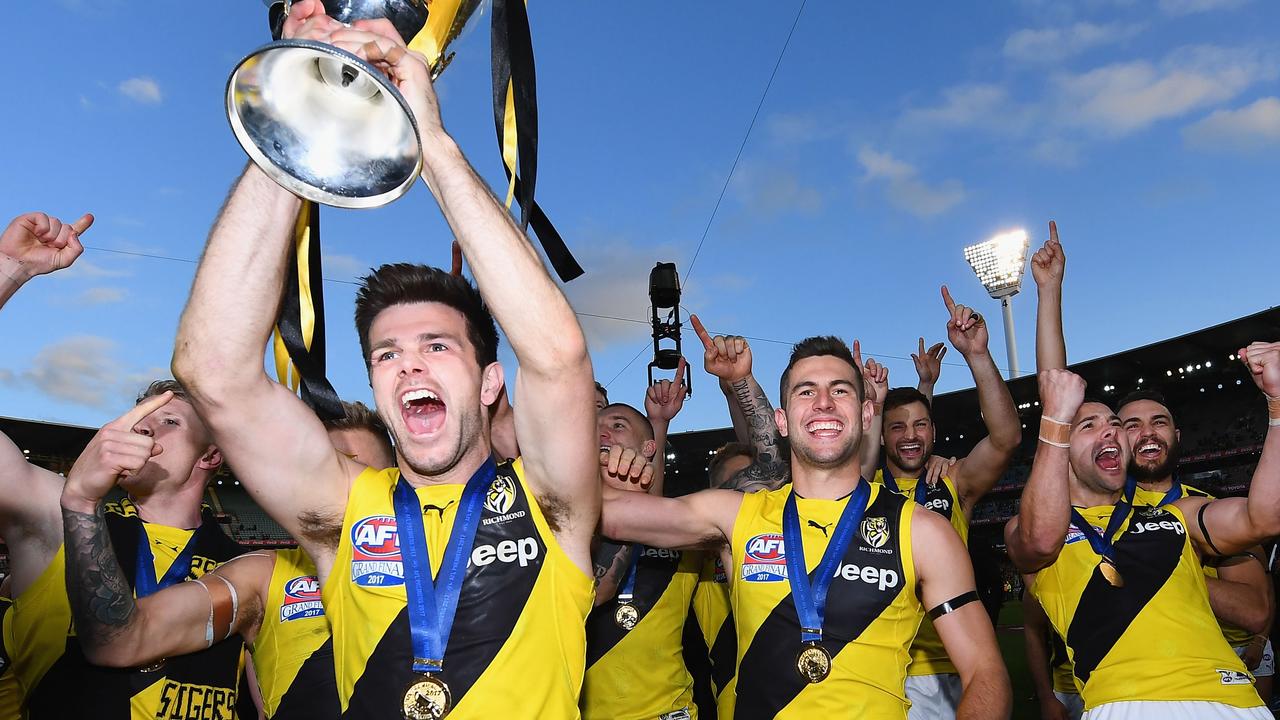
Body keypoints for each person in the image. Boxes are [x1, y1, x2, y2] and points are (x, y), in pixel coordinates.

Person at [169, 5, 599, 718]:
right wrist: (302, 112)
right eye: (388, 354)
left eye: (439, 347)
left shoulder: (550, 504)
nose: (410, 367)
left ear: (492, 382)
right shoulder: (345, 509)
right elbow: (213, 371)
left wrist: (429, 142)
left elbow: (556, 355)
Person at [600, 335, 1011, 718]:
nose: (824, 402)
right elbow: (608, 513)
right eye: (806, 391)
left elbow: (984, 672)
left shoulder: (923, 531)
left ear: (867, 413)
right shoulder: (736, 515)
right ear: (781, 420)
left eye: (840, 390)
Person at [0, 210, 251, 718]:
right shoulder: (60, 516)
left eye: (169, 422)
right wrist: (10, 269)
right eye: (139, 419)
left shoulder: (252, 569)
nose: (143, 428)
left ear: (211, 455)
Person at [1033, 221, 1276, 695]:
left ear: (1178, 435)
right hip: (1127, 683)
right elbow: (1054, 396)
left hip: (1225, 669)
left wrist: (1163, 568)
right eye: (1127, 425)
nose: (1145, 434)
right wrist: (1050, 292)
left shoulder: (1195, 508)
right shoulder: (1086, 508)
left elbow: (1256, 611)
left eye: (1159, 422)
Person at [63, 402, 396, 720]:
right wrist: (81, 501)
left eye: (353, 470)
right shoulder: (264, 573)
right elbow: (118, 641)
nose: (334, 487)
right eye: (321, 471)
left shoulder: (444, 557)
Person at [1008, 358, 1280, 719]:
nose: (1111, 431)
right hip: (1127, 703)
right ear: (1062, 450)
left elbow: (1264, 517)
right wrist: (1055, 419)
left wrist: (1276, 405)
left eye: (1116, 424)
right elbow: (1039, 541)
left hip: (1235, 701)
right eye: (1089, 425)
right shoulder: (1034, 529)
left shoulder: (1178, 514)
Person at [873, 288, 1021, 720]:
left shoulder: (953, 480)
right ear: (881, 436)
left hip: (958, 667)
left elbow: (1006, 439)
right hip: (885, 670)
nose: (910, 435)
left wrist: (976, 354)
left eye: (921, 425)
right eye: (897, 427)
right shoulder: (860, 489)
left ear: (934, 432)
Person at [586, 403, 700, 720]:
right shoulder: (552, 520)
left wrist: (658, 424)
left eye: (618, 425)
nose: (602, 431)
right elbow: (590, 595)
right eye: (593, 425)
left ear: (648, 448)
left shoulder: (681, 528)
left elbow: (763, 489)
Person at [1022, 591, 1083, 720]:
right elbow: (1033, 630)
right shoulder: (1045, 574)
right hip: (1068, 688)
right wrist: (1046, 697)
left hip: (1117, 685)